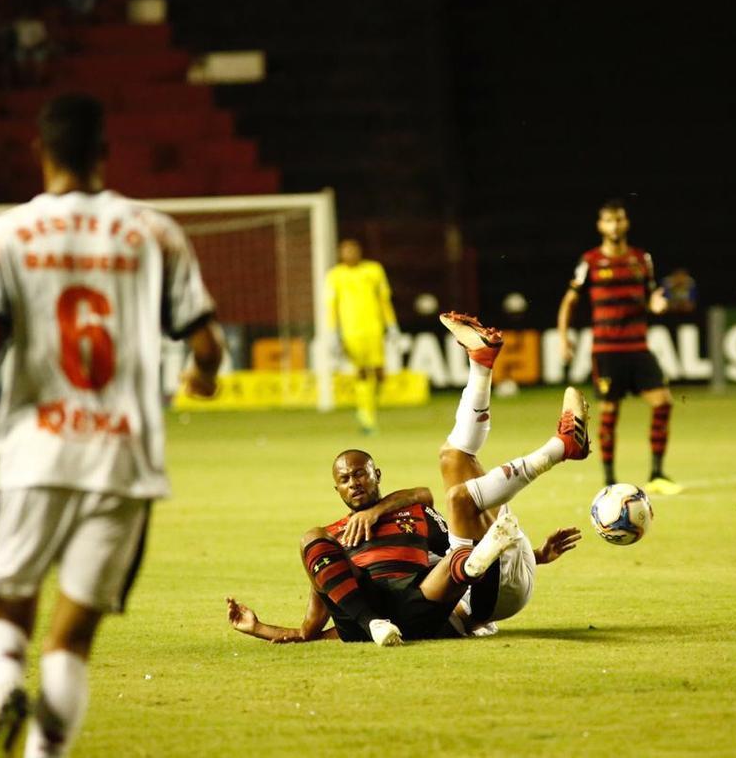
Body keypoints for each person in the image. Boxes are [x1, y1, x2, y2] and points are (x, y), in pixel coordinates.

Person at [0, 93, 224, 758]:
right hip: (124, 462)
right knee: (71, 641)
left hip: (34, 456)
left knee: (5, 617)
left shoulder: (4, 235)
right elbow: (206, 344)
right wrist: (203, 377)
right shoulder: (153, 232)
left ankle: (8, 686)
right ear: (105, 152)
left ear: (38, 151)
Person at [228, 313, 589, 643]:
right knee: (460, 501)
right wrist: (259, 628)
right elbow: (315, 627)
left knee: (452, 459)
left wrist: (537, 556)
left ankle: (481, 364)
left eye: (360, 474)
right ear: (336, 488)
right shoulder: (334, 542)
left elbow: (431, 505)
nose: (354, 482)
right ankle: (561, 446)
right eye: (345, 479)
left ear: (377, 475)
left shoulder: (413, 515)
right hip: (466, 598)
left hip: (487, 575)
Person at [557, 198, 681, 496]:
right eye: (609, 220)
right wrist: (563, 337)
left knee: (663, 402)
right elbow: (570, 301)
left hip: (638, 346)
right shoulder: (590, 261)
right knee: (610, 411)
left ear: (627, 223)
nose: (615, 225)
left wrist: (657, 303)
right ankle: (609, 478)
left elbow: (651, 294)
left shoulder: (641, 259)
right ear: (600, 226)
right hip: (607, 349)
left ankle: (657, 474)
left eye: (619, 220)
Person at [323, 238, 399, 434]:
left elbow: (384, 300)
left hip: (374, 329)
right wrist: (332, 332)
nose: (350, 254)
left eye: (353, 250)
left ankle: (369, 406)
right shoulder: (335, 275)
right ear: (340, 254)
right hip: (351, 332)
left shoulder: (374, 270)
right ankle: (366, 416)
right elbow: (331, 306)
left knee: (380, 374)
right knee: (363, 372)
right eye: (346, 251)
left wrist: (391, 325)